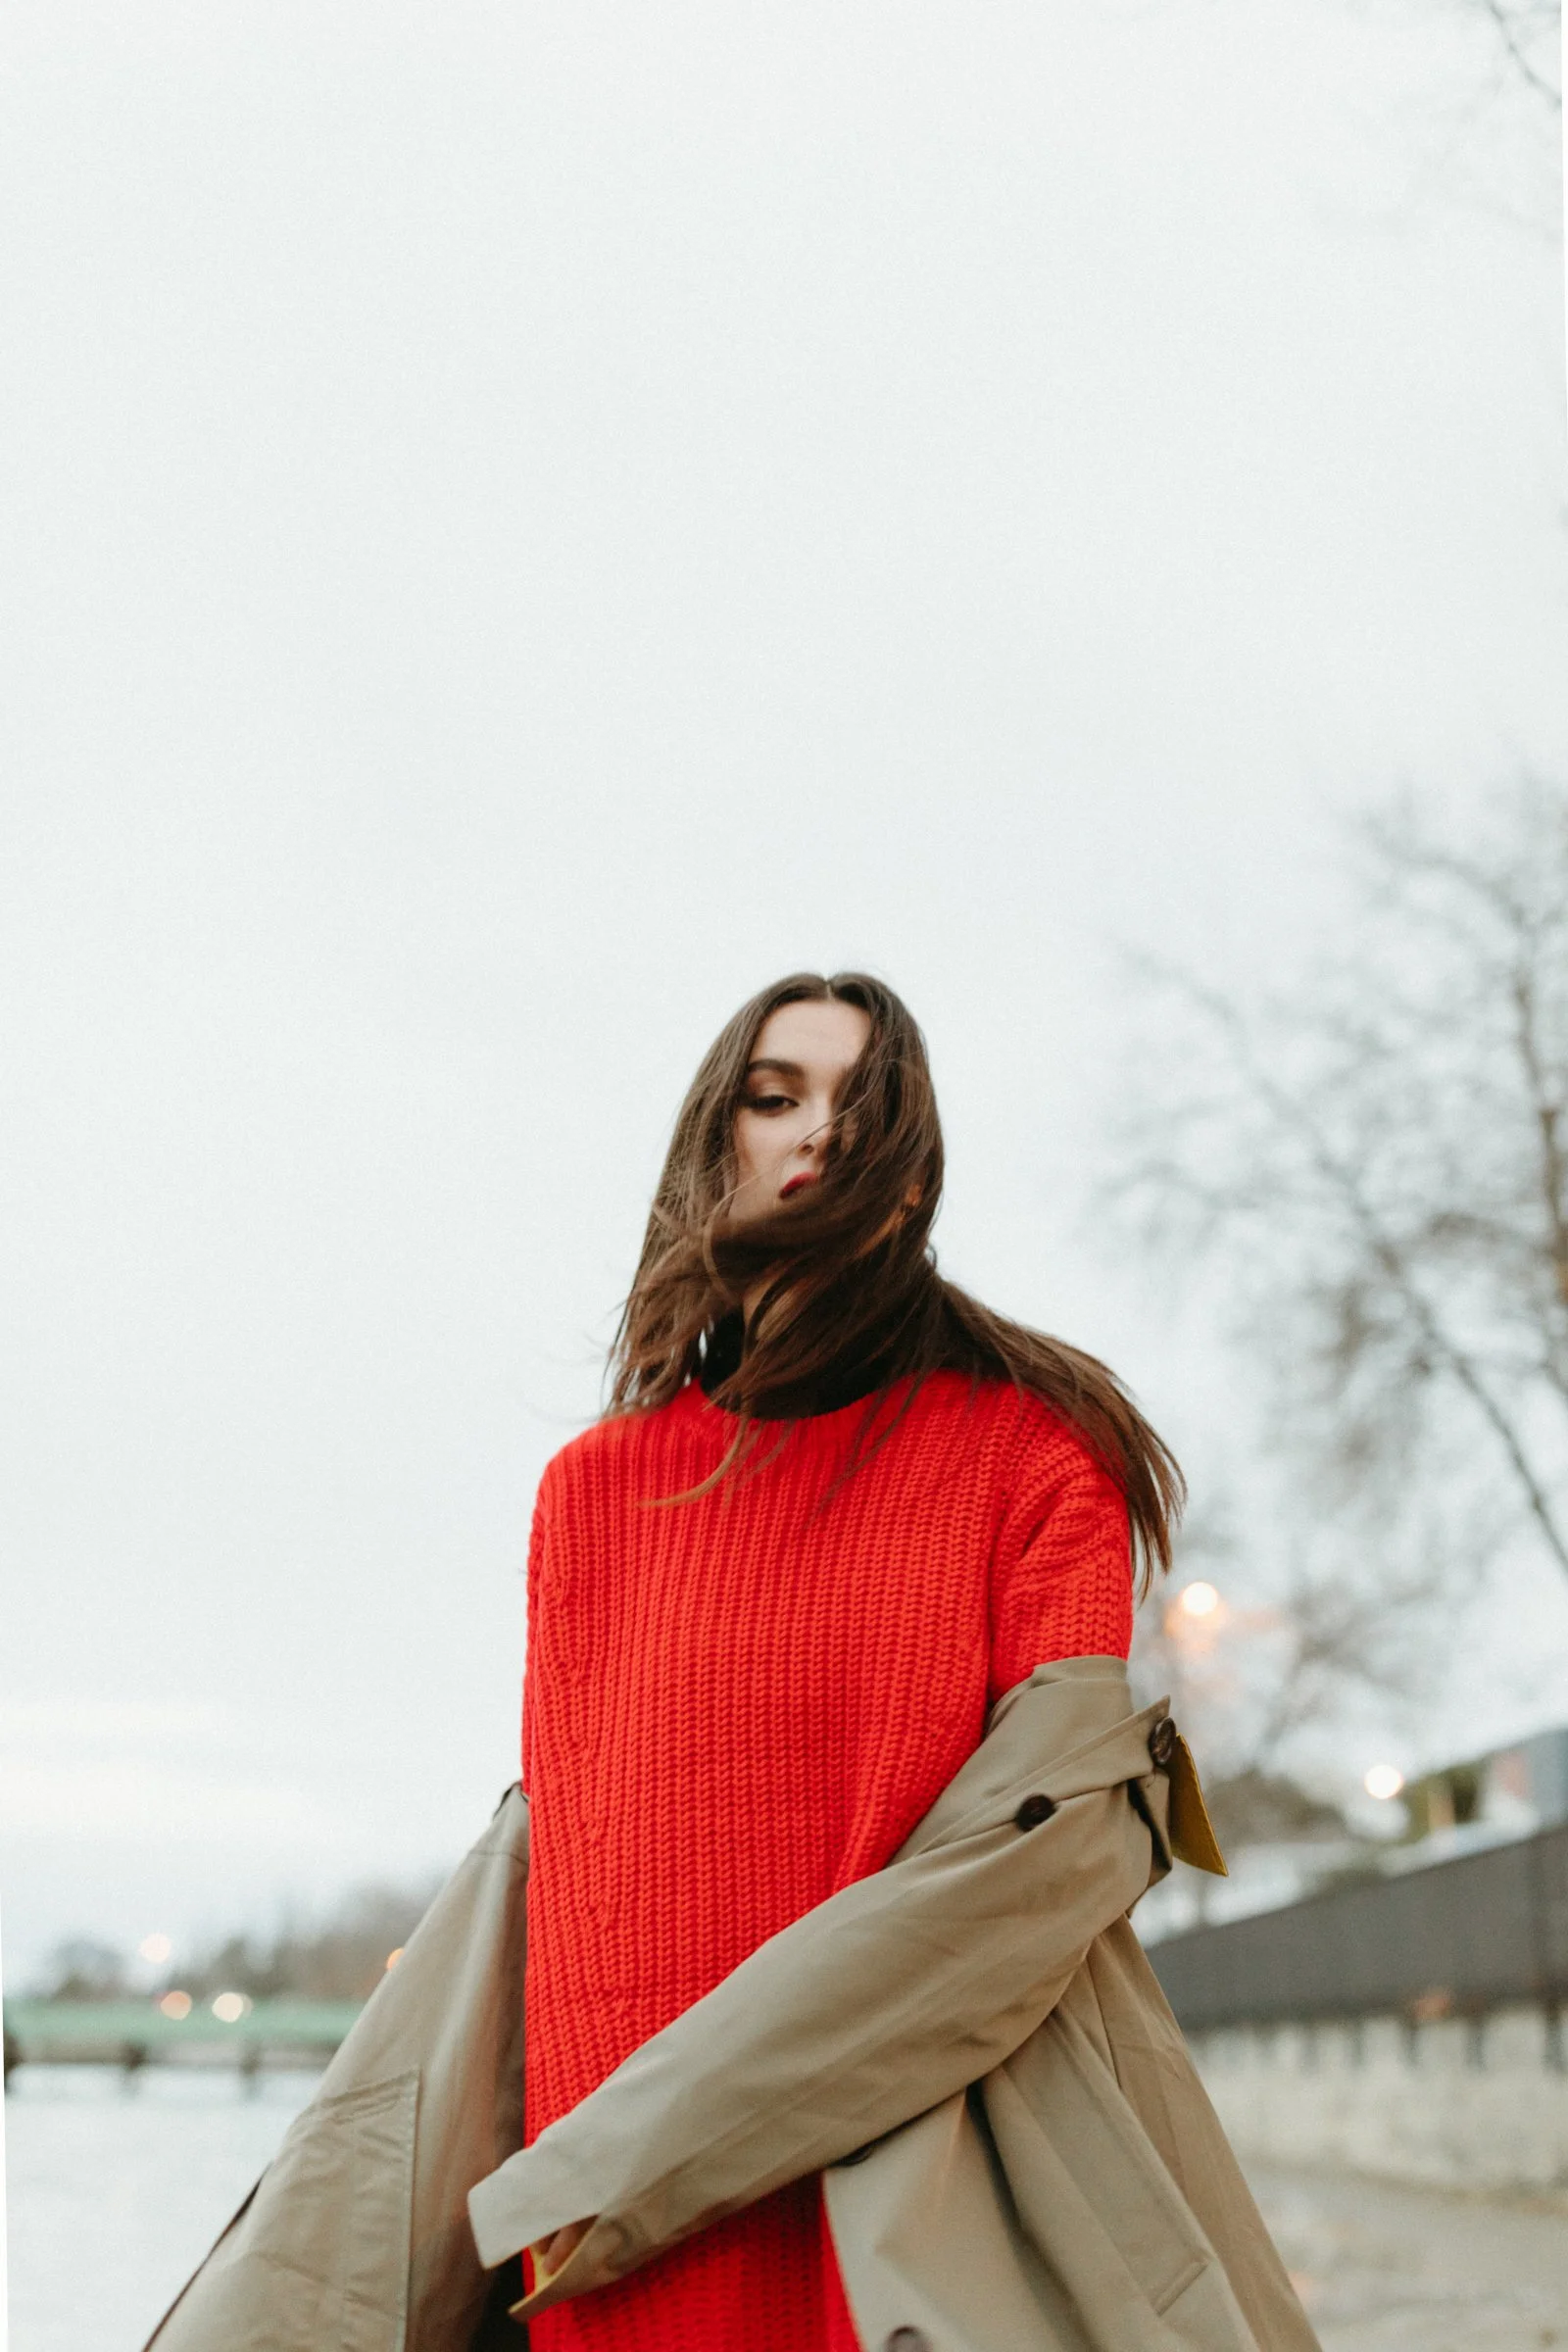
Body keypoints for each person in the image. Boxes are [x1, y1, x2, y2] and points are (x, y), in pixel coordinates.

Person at [517, 969, 1186, 2352]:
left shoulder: (1034, 1456)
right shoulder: (592, 1494)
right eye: (777, 1097)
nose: (817, 1132)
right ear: (718, 1138)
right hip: (616, 2199)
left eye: (862, 1106)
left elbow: (1041, 1856)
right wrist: (563, 2180)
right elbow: (575, 1879)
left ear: (913, 1173)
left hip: (907, 2176)